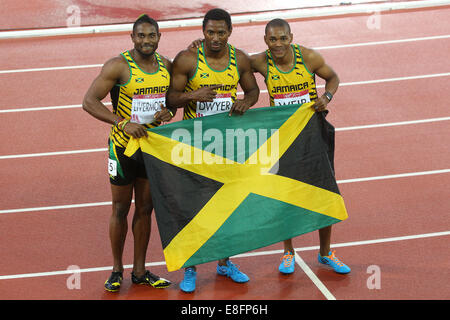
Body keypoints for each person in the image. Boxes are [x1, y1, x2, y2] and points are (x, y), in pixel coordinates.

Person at [166, 8, 260, 293]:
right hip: (193, 144)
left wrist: (246, 103)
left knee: (226, 205)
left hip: (227, 143)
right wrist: (194, 95)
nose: (215, 37)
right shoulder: (187, 59)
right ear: (202, 31)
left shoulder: (240, 59)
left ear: (230, 32)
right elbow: (171, 98)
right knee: (193, 207)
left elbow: (253, 90)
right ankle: (191, 267)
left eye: (221, 32)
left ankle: (224, 262)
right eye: (210, 32)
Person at [250, 18, 350, 275]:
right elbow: (233, 60)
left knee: (324, 190)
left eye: (283, 38)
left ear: (291, 37)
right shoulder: (261, 62)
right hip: (282, 137)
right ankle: (288, 251)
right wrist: (199, 46)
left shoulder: (308, 58)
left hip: (313, 132)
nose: (279, 44)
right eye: (273, 39)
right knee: (285, 193)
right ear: (265, 41)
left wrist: (326, 96)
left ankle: (326, 252)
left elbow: (333, 77)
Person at [82, 14, 174, 292]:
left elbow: (171, 103)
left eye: (152, 36)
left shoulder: (166, 66)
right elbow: (89, 101)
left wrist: (168, 112)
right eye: (141, 36)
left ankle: (140, 270)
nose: (147, 41)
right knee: (120, 208)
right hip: (123, 148)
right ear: (132, 38)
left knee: (146, 209)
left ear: (159, 37)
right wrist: (122, 122)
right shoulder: (118, 66)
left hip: (152, 148)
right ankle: (116, 270)